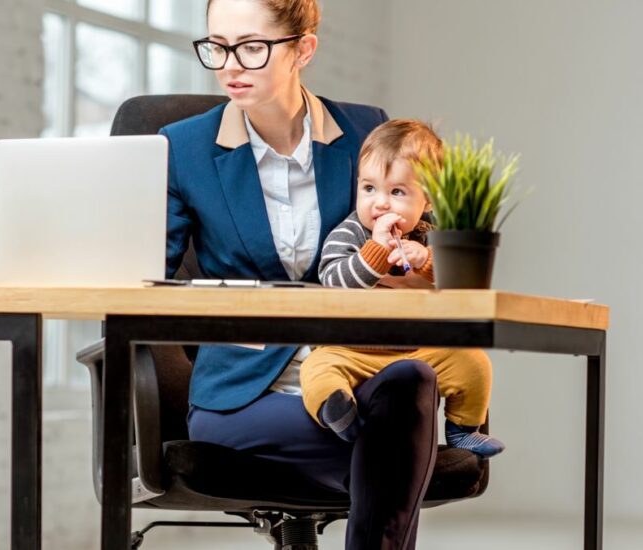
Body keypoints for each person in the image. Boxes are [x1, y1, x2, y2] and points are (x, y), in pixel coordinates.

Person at [158, 0, 493, 547]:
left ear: (303, 49)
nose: (228, 65)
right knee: (395, 439)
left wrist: (416, 264)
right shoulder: (184, 148)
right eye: (216, 46)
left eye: (251, 46)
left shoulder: (368, 132)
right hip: (246, 393)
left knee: (414, 380)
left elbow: (427, 249)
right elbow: (145, 279)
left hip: (362, 372)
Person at [302, 119, 504, 457]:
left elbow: (459, 285)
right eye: (369, 189)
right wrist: (375, 253)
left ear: (427, 200)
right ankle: (340, 415)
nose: (379, 203)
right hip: (351, 349)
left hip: (417, 349)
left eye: (396, 192)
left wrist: (426, 259)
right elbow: (333, 280)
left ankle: (462, 429)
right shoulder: (350, 233)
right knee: (317, 369)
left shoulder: (430, 236)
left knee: (474, 363)